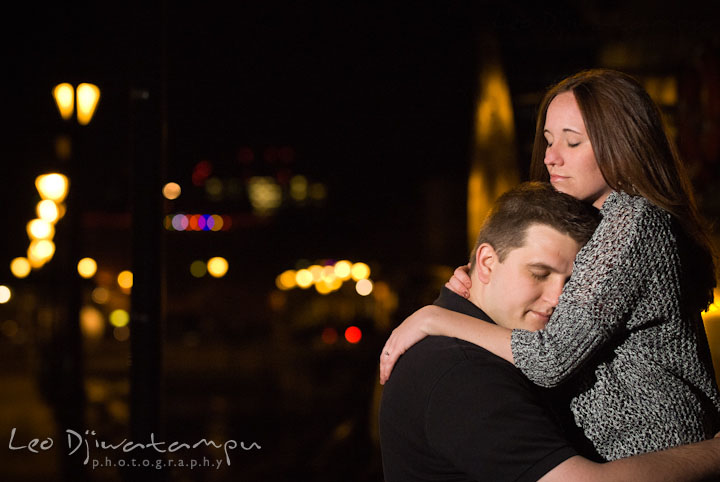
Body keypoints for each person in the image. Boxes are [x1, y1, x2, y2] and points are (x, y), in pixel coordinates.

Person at [379, 69, 720, 461]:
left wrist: (433, 319)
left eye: (572, 142)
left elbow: (550, 359)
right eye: (548, 140)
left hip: (651, 446)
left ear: (621, 146)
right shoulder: (604, 219)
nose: (550, 157)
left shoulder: (633, 220)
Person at [379, 182, 720, 482]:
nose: (558, 298)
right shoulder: (464, 373)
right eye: (539, 274)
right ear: (485, 263)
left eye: (572, 283)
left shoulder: (471, 344)